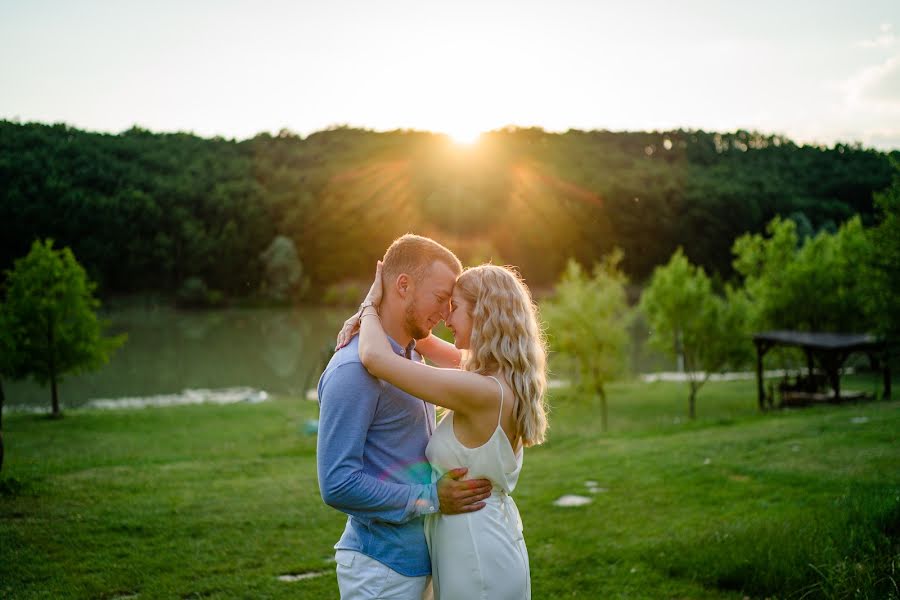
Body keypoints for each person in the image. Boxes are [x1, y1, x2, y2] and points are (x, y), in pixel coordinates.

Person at [350, 258, 549, 600]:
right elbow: (421, 340)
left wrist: (369, 304)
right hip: (485, 535)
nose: (446, 317)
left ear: (483, 315)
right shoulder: (498, 380)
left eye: (454, 308)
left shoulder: (480, 391)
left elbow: (375, 358)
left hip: (475, 552)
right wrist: (393, 303)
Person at [317, 234, 494, 600]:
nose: (447, 313)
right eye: (441, 297)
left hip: (421, 562)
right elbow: (337, 483)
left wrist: (368, 309)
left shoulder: (409, 359)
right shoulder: (353, 371)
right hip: (381, 571)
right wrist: (430, 497)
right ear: (403, 285)